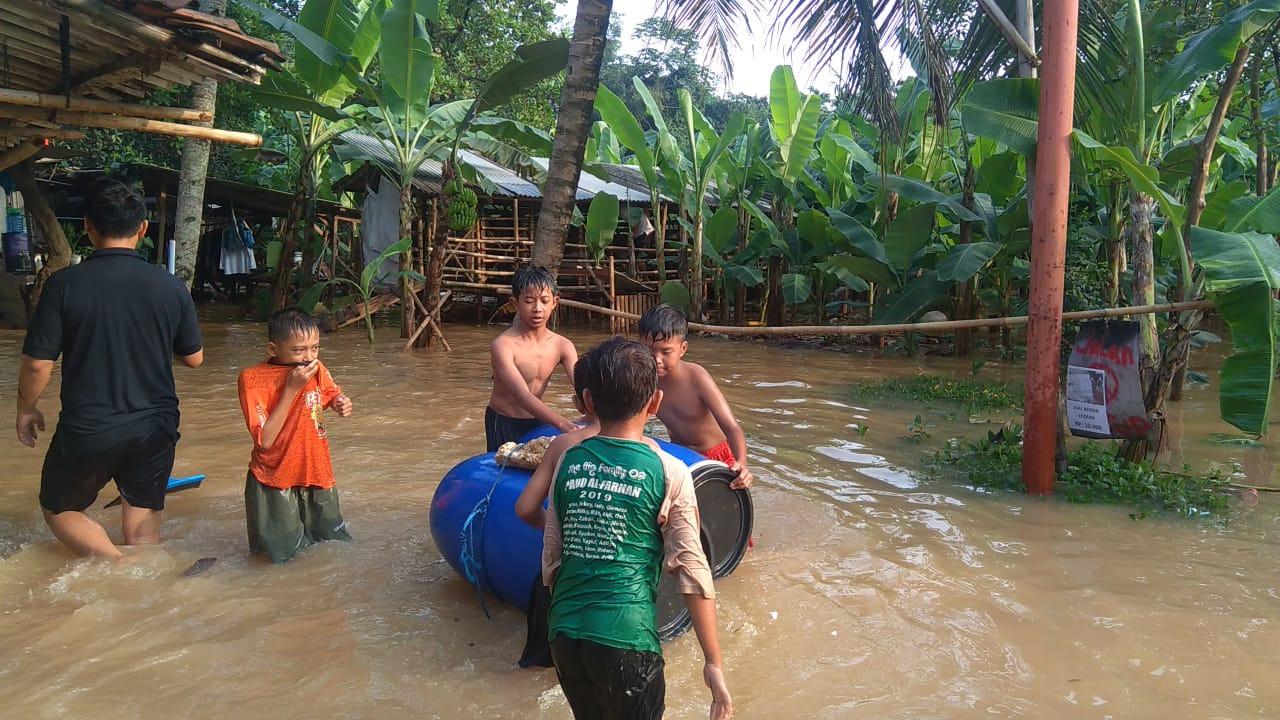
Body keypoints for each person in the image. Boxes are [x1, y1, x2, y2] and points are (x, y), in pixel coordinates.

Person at [542, 338, 733, 720]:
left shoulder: (567, 461)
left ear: (587, 402)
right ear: (655, 403)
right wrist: (713, 665)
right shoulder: (668, 471)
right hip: (626, 640)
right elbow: (693, 571)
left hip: (564, 636)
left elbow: (551, 561)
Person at [16, 178, 203, 558]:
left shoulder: (64, 285)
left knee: (59, 507)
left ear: (87, 225)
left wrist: (25, 408)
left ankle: (112, 563)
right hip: (155, 428)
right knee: (143, 536)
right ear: (143, 228)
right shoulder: (170, 287)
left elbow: (38, 365)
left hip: (90, 427)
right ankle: (140, 577)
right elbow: (194, 358)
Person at [237, 309, 354, 563]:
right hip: (275, 476)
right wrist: (291, 388)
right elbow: (265, 440)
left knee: (331, 549)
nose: (308, 357)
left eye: (315, 348)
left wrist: (340, 402)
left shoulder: (316, 368)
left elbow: (331, 393)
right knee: (281, 558)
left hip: (316, 471)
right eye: (299, 350)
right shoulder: (253, 379)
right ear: (273, 348)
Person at [639, 304, 753, 489]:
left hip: (716, 457)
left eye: (666, 352)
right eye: (650, 351)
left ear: (683, 349)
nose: (657, 359)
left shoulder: (697, 377)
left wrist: (742, 463)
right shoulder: (643, 379)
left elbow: (732, 427)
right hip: (679, 457)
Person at [486, 265, 577, 451]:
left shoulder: (563, 345)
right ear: (514, 303)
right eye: (529, 301)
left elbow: (583, 386)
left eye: (544, 301)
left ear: (555, 302)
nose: (537, 309)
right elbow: (522, 395)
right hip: (504, 421)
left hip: (538, 420)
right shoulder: (503, 345)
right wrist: (562, 424)